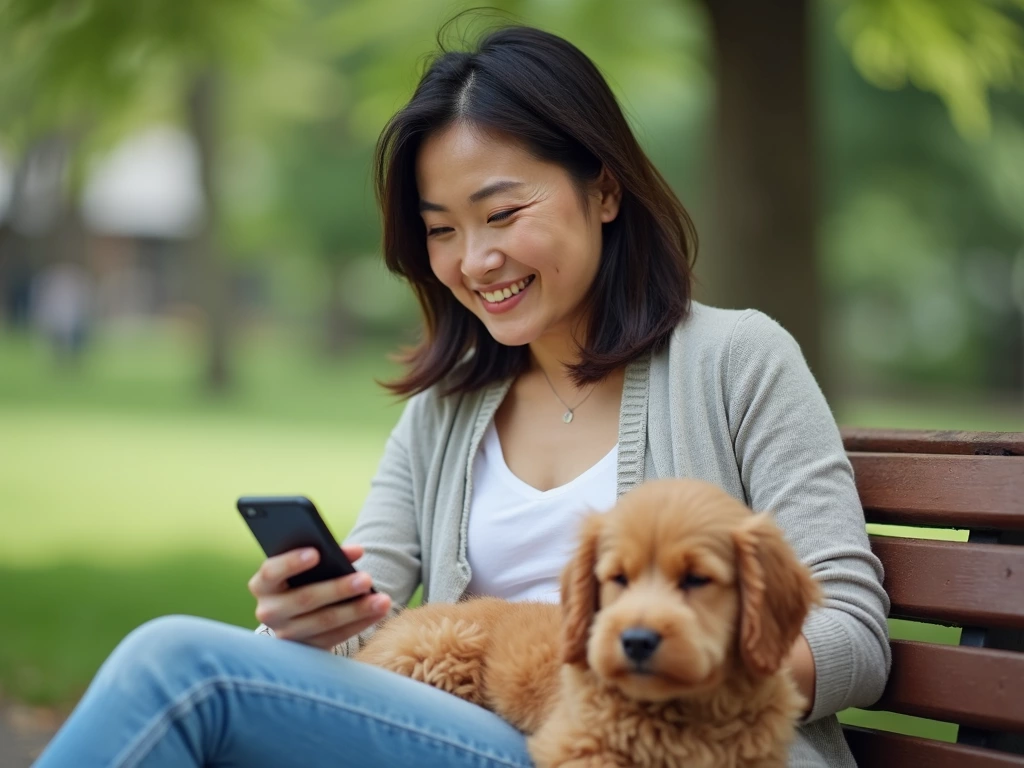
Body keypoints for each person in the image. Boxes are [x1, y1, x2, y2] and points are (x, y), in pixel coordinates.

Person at [34, 23, 889, 768]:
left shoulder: (737, 361)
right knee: (198, 674)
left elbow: (851, 633)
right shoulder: (446, 408)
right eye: (442, 229)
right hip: (469, 732)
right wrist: (308, 619)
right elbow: (372, 636)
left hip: (654, 752)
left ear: (604, 189)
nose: (474, 260)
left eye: (503, 212)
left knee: (178, 668)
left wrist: (663, 690)